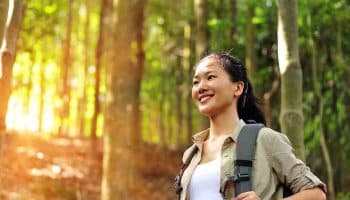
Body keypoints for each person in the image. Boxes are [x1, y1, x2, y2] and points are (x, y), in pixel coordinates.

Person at [177, 52, 327, 200]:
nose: (200, 87)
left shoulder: (264, 139)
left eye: (210, 77)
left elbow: (316, 194)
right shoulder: (191, 154)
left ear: (238, 88)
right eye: (196, 82)